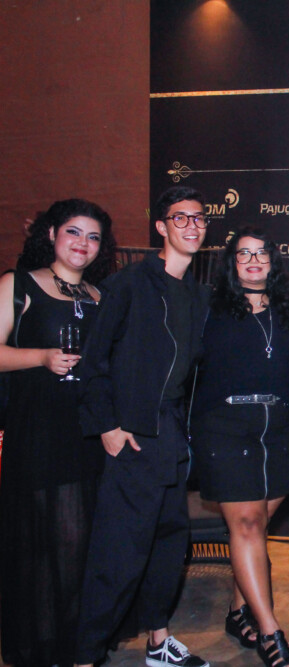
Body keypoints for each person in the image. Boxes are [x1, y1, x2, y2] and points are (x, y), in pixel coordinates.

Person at [74, 186, 211, 667]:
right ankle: (85, 656)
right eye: (180, 218)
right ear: (161, 227)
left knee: (169, 546)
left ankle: (158, 642)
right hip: (132, 436)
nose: (191, 226)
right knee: (119, 555)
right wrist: (108, 426)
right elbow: (94, 361)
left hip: (171, 436)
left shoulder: (197, 294)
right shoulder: (129, 284)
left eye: (199, 218)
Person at [0, 199, 116, 667]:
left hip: (89, 433)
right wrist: (41, 357)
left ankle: (77, 646)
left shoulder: (100, 296)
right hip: (39, 431)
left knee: (84, 544)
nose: (83, 243)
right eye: (73, 232)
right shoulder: (18, 285)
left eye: (93, 237)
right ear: (51, 234)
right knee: (44, 545)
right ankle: (44, 648)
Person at [189, 229, 289, 666]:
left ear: (273, 260)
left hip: (279, 430)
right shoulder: (208, 306)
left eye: (261, 253)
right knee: (249, 526)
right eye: (243, 254)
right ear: (232, 263)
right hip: (224, 427)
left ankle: (239, 612)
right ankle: (271, 633)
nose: (253, 260)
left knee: (257, 525)